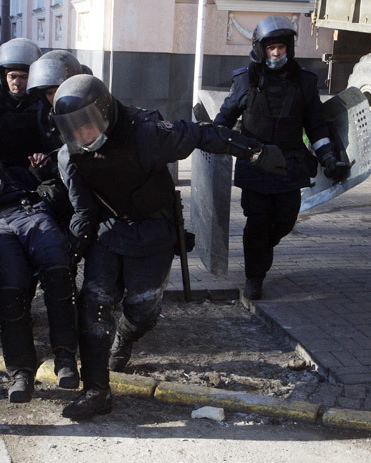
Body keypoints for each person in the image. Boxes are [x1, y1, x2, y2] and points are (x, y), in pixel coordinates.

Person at [53, 74, 287, 420]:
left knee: (143, 310)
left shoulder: (146, 134)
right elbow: (84, 210)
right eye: (72, 129)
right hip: (108, 232)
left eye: (86, 127)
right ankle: (97, 391)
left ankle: (126, 339)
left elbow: (204, 133)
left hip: (151, 232)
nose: (81, 136)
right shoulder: (70, 156)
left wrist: (253, 151)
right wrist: (68, 254)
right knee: (94, 305)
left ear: (103, 113)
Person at [0, 38, 80, 401]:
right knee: (10, 290)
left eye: (24, 76)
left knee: (58, 271)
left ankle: (66, 359)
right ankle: (20, 372)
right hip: (2, 207)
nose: (18, 83)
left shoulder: (46, 107)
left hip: (39, 201)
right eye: (12, 76)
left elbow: (68, 150)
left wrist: (45, 167)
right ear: (2, 75)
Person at [214, 15, 349, 301]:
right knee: (257, 223)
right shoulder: (244, 81)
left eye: (281, 47)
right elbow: (223, 119)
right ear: (260, 49)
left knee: (285, 220)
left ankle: (265, 247)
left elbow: (316, 126)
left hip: (290, 166)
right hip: (255, 164)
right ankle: (254, 277)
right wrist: (208, 138)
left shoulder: (305, 82)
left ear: (289, 48)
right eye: (271, 47)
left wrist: (327, 157)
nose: (276, 53)